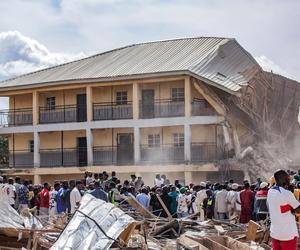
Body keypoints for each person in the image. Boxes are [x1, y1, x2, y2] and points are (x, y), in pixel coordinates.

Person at [267, 169, 300, 250]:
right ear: (283, 179)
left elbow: (280, 209)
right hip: (287, 234)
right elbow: (298, 210)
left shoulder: (270, 191)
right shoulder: (287, 194)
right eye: (288, 178)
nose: (289, 179)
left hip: (275, 232)